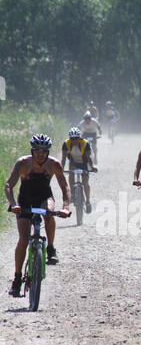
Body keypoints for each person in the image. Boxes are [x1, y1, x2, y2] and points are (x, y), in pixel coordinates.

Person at [5, 134, 70, 297]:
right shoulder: (22, 163)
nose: (40, 153)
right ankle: (17, 278)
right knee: (24, 239)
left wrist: (66, 207)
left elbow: (65, 187)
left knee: (49, 213)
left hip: (44, 198)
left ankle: (51, 248)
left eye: (44, 151)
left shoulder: (54, 164)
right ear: (32, 151)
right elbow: (9, 184)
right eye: (37, 150)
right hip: (24, 201)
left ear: (48, 152)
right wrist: (14, 205)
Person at [61, 127, 97, 214]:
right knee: (71, 174)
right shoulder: (66, 144)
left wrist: (92, 167)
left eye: (76, 138)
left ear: (79, 137)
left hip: (84, 162)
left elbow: (89, 157)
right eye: (72, 139)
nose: (74, 140)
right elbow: (64, 159)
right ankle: (73, 194)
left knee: (85, 182)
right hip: (73, 162)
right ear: (70, 138)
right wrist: (61, 168)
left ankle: (88, 201)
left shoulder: (85, 144)